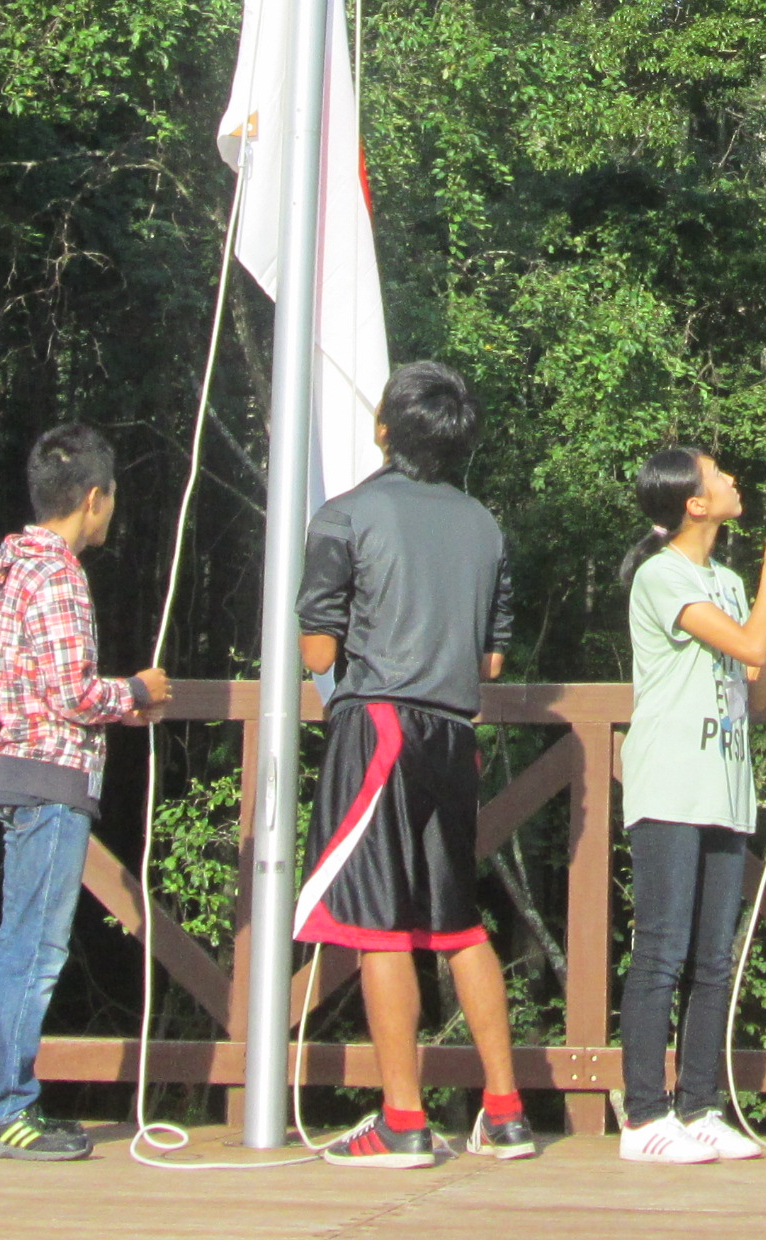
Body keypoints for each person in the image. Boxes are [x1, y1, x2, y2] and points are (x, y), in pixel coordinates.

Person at [292, 360, 533, 1167]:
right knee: (457, 920)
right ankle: (504, 1113)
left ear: (383, 430)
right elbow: (493, 662)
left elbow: (318, 644)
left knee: (380, 927)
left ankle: (403, 1120)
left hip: (380, 728)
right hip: (452, 735)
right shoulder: (486, 526)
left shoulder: (345, 514)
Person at [0, 423, 172, 1163]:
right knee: (35, 949)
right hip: (53, 776)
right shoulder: (58, 575)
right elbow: (70, 693)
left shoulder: (18, 569)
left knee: (20, 943)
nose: (113, 512)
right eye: (111, 498)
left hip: (26, 772)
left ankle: (5, 1104)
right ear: (93, 498)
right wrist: (134, 691)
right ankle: (4, 1110)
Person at [613, 445, 766, 1165]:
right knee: (663, 951)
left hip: (729, 787)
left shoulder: (730, 581)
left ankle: (699, 1106)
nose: (734, 479)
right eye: (718, 476)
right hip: (671, 785)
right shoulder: (661, 576)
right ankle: (643, 1117)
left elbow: (758, 687)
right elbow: (743, 638)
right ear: (694, 504)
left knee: (714, 958)